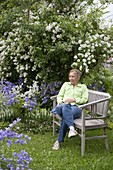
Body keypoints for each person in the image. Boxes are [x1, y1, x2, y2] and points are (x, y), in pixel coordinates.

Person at [51, 69, 88, 150]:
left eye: (73, 76)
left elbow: (85, 99)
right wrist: (61, 101)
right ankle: (71, 128)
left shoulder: (83, 87)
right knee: (65, 106)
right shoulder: (65, 85)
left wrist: (74, 100)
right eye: (70, 76)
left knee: (65, 117)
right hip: (64, 106)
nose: (71, 78)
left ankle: (59, 141)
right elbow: (60, 96)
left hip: (76, 108)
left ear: (78, 77)